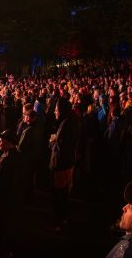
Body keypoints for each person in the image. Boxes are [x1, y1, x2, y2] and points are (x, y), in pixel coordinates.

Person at [0, 129, 23, 256]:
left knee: (1, 227)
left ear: (8, 143)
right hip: (10, 201)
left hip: (4, 201)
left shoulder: (8, 159)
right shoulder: (15, 155)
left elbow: (2, 183)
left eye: (1, 140)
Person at [49, 98, 80, 230]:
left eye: (56, 110)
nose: (55, 112)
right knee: (65, 191)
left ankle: (59, 220)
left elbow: (60, 146)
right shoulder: (72, 120)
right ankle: (64, 217)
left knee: (60, 193)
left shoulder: (66, 124)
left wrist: (51, 142)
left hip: (62, 163)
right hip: (69, 162)